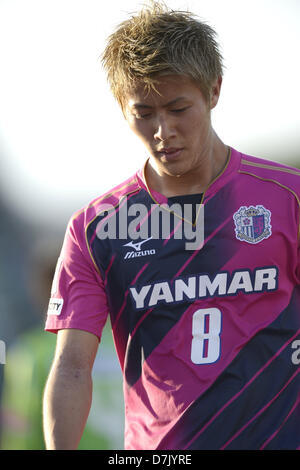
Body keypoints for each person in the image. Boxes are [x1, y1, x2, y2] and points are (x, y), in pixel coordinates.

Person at [43, 1, 300, 450]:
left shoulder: (287, 197)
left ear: (214, 91)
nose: (163, 131)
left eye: (179, 108)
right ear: (121, 108)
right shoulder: (98, 227)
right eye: (144, 113)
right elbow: (72, 367)